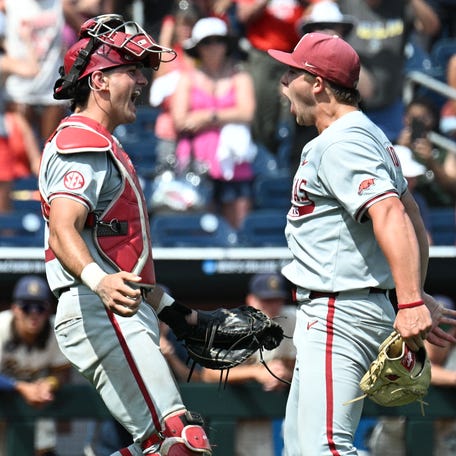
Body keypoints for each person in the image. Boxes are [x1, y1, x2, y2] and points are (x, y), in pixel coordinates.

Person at [266, 32, 456, 455]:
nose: (283, 81)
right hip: (347, 304)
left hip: (340, 309)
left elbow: (391, 214)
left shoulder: (342, 140)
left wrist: (408, 300)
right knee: (301, 448)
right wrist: (413, 291)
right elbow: (412, 216)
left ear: (316, 83)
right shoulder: (367, 134)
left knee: (324, 449)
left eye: (292, 72)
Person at [38, 14, 214, 456]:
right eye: (130, 69)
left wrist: (176, 313)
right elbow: (63, 229)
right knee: (180, 443)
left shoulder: (101, 142)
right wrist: (99, 282)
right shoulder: (82, 140)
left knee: (160, 445)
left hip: (111, 307)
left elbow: (118, 262)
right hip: (98, 308)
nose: (141, 80)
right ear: (98, 80)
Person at [171, 16, 257, 229]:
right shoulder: (187, 78)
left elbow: (247, 113)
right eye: (207, 42)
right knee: (200, 229)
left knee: (239, 226)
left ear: (226, 44)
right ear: (198, 47)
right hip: (196, 163)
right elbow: (180, 120)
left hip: (235, 165)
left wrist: (205, 117)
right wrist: (228, 114)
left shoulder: (241, 77)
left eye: (218, 40)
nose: (213, 47)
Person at [201, 272, 296, 456]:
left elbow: (297, 364)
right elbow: (208, 373)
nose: (272, 306)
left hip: (267, 411)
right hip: (232, 407)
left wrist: (284, 373)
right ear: (250, 300)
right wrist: (256, 373)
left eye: (277, 300)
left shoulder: (291, 319)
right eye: (265, 300)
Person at [338, 0, 441, 142]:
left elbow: (431, 27)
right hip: (352, 106)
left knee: (396, 156)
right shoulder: (346, 4)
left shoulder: (400, 6)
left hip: (391, 105)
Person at [0, 275, 71, 456]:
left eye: (40, 307)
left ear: (48, 311)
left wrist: (50, 383)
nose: (33, 313)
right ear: (15, 309)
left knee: (42, 449)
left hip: (36, 401)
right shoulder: (1, 326)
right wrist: (20, 387)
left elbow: (61, 372)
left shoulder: (56, 330)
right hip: (4, 399)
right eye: (26, 306)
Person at [235, 0, 306, 156]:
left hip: (294, 54)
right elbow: (243, 15)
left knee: (298, 111)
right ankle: (264, 158)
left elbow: (322, 6)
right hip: (263, 56)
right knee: (262, 111)